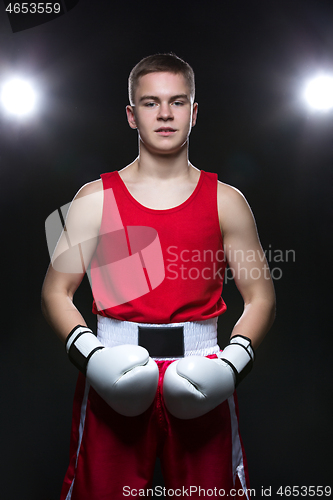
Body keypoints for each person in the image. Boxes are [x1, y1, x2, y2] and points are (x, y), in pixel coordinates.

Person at [42, 53, 275, 500]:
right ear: (132, 115)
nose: (165, 114)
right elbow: (56, 291)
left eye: (177, 102)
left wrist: (232, 364)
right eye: (151, 103)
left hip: (203, 371)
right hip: (113, 366)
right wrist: (91, 356)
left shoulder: (227, 201)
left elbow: (261, 297)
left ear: (194, 112)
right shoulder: (95, 198)